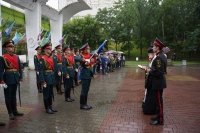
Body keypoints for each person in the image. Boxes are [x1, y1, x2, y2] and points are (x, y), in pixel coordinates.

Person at [0, 40, 24, 120]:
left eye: (13, 46)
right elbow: (0, 70)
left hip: (15, 78)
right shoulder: (3, 57)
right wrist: (2, 81)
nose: (12, 48)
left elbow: (19, 68)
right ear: (6, 48)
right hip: (8, 78)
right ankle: (10, 113)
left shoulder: (16, 57)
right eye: (10, 46)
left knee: (14, 96)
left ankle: (15, 110)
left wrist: (20, 77)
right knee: (8, 97)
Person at [146, 38, 167, 125]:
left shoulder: (159, 58)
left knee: (159, 102)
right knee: (157, 101)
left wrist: (149, 71)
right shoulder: (161, 56)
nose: (153, 48)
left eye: (154, 46)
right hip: (158, 82)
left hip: (158, 82)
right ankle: (158, 116)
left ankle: (160, 120)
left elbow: (159, 72)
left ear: (157, 47)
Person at [39, 42, 58, 114]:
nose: (50, 50)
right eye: (48, 49)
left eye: (50, 48)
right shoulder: (42, 59)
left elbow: (53, 69)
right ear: (45, 50)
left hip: (51, 77)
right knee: (46, 94)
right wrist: (43, 81)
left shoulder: (51, 58)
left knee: (50, 93)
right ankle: (47, 108)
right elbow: (41, 71)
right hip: (46, 78)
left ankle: (50, 106)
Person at [141, 47, 156, 115]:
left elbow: (154, 70)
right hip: (150, 79)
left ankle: (149, 109)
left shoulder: (155, 59)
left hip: (152, 80)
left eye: (149, 54)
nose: (148, 56)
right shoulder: (152, 59)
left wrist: (146, 69)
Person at [79, 43, 93, 110]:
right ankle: (82, 104)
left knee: (87, 89)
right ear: (84, 50)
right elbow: (77, 58)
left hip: (88, 74)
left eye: (89, 49)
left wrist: (95, 57)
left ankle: (85, 103)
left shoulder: (89, 56)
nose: (88, 50)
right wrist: (83, 61)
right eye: (87, 49)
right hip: (84, 75)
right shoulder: (82, 56)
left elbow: (92, 62)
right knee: (84, 90)